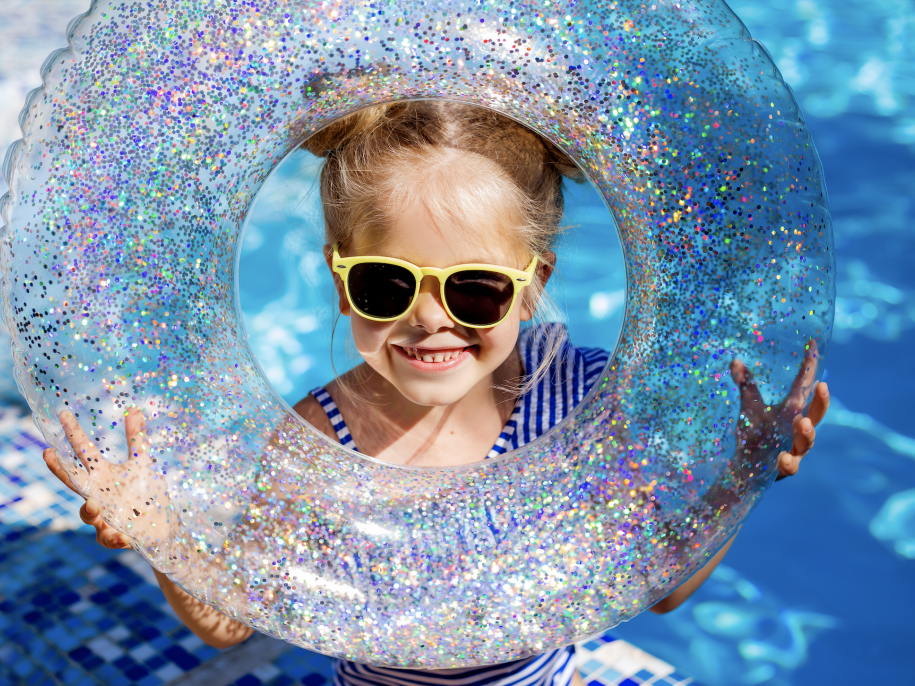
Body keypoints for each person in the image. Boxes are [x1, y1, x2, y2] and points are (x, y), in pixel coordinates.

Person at [44, 101, 830, 686]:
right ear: (341, 283)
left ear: (531, 288)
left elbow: (654, 585)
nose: (429, 320)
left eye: (476, 290)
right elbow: (229, 622)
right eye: (388, 284)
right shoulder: (315, 439)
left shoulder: (581, 401)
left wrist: (738, 483)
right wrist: (159, 534)